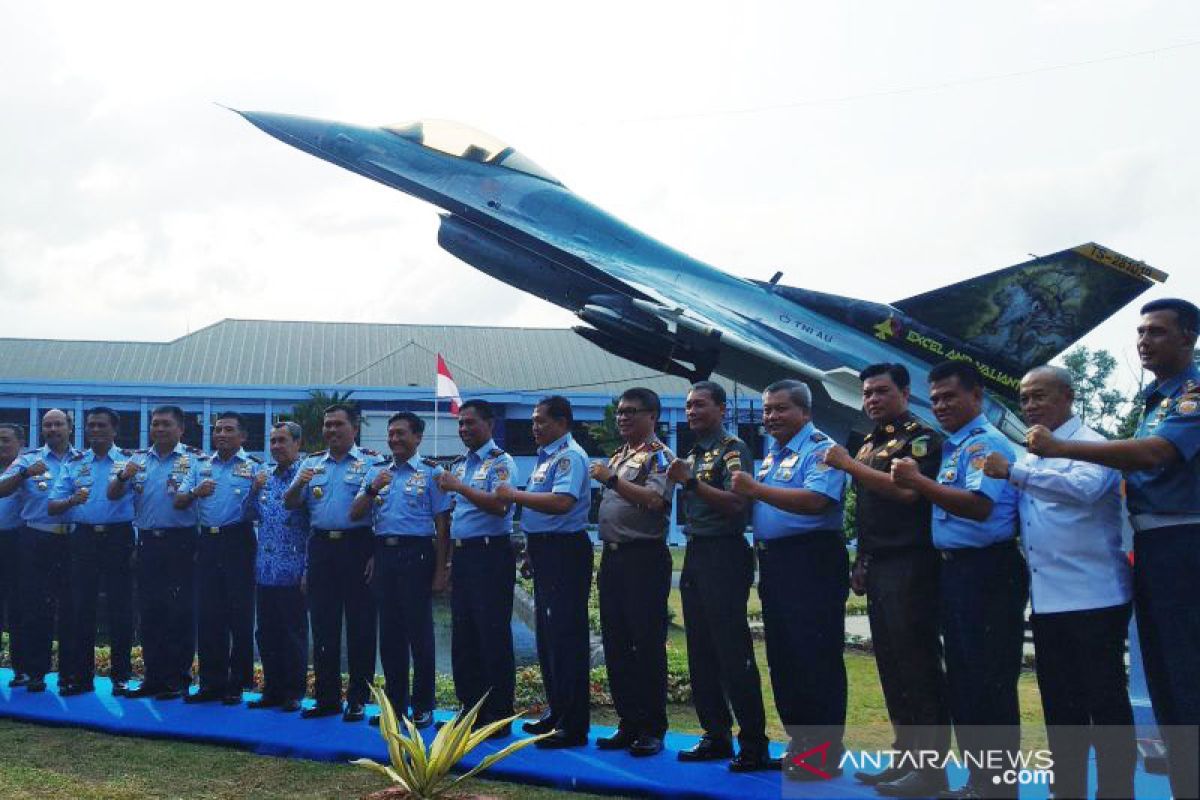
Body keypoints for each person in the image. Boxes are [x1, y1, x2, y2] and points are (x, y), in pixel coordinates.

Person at [1025, 297, 1200, 799]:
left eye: (1158, 332)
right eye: (1141, 333)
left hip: (1184, 540)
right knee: (1166, 678)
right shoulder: (1155, 399)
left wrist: (1062, 449)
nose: (1144, 342)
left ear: (1188, 337)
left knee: (1186, 674)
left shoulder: (1191, 393)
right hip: (1154, 542)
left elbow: (1156, 453)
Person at [982, 366, 1135, 800]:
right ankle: (1065, 788)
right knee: (1060, 706)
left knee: (1104, 703)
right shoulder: (1032, 450)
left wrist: (1014, 472)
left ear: (1067, 396)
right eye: (1025, 398)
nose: (1030, 406)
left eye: (1040, 396)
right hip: (1048, 599)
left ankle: (1116, 791)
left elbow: (1083, 490)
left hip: (1095, 595)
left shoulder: (1094, 443)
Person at [890, 361, 1026, 799]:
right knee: (965, 682)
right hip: (957, 571)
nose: (941, 406)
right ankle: (978, 782)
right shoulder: (956, 446)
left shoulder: (985, 444)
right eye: (935, 399)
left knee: (989, 682)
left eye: (950, 396)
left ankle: (997, 786)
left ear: (977, 396)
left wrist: (917, 482)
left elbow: (979, 506)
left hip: (987, 571)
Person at [822, 364, 950, 796]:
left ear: (905, 392)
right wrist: (861, 559)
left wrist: (846, 465)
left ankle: (930, 769)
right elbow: (869, 511)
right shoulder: (872, 441)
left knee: (918, 666)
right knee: (892, 667)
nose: (872, 400)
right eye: (867, 393)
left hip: (912, 561)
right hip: (878, 561)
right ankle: (903, 759)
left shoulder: (920, 437)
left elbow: (906, 492)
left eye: (881, 391)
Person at [730, 379, 849, 782]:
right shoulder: (773, 453)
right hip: (776, 564)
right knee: (784, 659)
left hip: (811, 561)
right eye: (766, 410)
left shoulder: (820, 449)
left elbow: (817, 502)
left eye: (781, 409)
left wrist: (755, 489)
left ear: (805, 412)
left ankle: (824, 754)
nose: (771, 417)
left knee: (815, 659)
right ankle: (801, 744)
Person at [666, 381, 771, 772]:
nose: (692, 411)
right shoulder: (692, 453)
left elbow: (738, 505)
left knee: (732, 650)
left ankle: (754, 742)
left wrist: (691, 483)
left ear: (722, 409)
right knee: (700, 650)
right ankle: (716, 734)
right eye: (689, 405)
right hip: (696, 552)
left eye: (700, 405)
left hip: (724, 553)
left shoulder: (732, 449)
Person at [495, 395, 593, 750]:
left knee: (567, 640)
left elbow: (561, 503)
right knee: (548, 639)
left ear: (563, 422)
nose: (535, 427)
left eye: (542, 421)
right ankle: (557, 713)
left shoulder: (569, 457)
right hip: (546, 551)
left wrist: (514, 495)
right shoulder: (546, 458)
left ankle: (574, 725)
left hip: (565, 551)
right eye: (534, 421)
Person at [588, 387, 676, 758]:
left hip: (644, 558)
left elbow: (656, 502)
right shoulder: (621, 455)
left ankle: (652, 728)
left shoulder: (661, 457)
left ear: (652, 416)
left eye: (631, 412)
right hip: (613, 558)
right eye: (620, 412)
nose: (623, 417)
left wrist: (611, 480)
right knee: (617, 644)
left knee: (646, 645)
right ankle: (628, 722)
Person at [351, 412, 451, 728]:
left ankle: (423, 706)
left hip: (416, 554)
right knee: (390, 634)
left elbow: (442, 523)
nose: (394, 439)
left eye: (401, 434)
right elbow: (355, 515)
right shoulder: (378, 472)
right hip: (384, 554)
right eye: (391, 434)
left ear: (418, 437)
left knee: (418, 633)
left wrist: (441, 569)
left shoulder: (432, 473)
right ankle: (395, 706)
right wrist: (371, 489)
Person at [284, 403, 377, 723]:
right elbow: (291, 503)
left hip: (358, 547)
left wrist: (376, 554)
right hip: (321, 547)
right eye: (327, 425)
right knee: (323, 626)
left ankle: (358, 699)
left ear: (354, 428)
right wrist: (298, 482)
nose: (331, 430)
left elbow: (385, 511)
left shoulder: (372, 463)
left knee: (361, 626)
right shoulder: (310, 464)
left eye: (338, 424)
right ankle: (326, 698)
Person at [435, 399, 518, 738]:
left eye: (471, 423)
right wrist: (451, 560)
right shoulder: (459, 464)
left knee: (492, 635)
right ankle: (469, 710)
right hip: (466, 556)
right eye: (461, 424)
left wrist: (461, 488)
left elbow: (500, 506)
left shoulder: (501, 463)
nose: (464, 429)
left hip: (491, 555)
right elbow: (458, 516)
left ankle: (497, 716)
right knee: (464, 635)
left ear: (490, 424)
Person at [108, 405, 200, 700]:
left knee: (179, 612)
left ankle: (178, 679)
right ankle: (152, 677)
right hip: (148, 542)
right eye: (155, 424)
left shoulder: (196, 460)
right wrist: (123, 476)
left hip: (181, 542)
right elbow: (113, 494)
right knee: (149, 613)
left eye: (165, 424)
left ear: (181, 428)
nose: (159, 429)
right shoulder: (137, 460)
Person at [48, 407, 136, 696]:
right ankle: (80, 677)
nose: (94, 430)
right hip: (83, 538)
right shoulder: (74, 463)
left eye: (100, 425)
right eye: (90, 426)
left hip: (118, 537)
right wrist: (73, 500)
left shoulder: (130, 461)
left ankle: (121, 677)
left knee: (120, 608)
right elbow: (53, 504)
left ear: (114, 430)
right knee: (80, 608)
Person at [177, 412, 264, 705]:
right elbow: (178, 501)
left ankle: (236, 684)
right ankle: (210, 683)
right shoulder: (200, 466)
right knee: (208, 615)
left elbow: (264, 509)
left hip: (238, 540)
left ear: (243, 437)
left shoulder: (254, 468)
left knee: (239, 615)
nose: (222, 435)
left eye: (229, 430)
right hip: (207, 542)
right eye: (218, 430)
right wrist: (194, 491)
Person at [0, 409, 80, 694]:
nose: (53, 429)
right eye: (48, 425)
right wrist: (23, 474)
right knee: (35, 608)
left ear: (70, 427)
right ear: (42, 430)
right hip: (35, 540)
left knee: (71, 610)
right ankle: (35, 672)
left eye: (59, 424)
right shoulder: (28, 460)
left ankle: (70, 674)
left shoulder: (82, 460)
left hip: (72, 541)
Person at [249, 421, 309, 713]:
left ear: (297, 444)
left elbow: (315, 526)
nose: (276, 447)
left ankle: (293, 692)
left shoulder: (309, 475)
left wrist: (309, 568)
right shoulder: (264, 477)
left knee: (292, 633)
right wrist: (251, 490)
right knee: (266, 633)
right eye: (272, 441)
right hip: (265, 570)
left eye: (282, 441)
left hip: (294, 570)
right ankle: (271, 689)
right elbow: (249, 514)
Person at [0, 423, 29, 687]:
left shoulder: (28, 469)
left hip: (16, 542)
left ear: (20, 442)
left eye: (5, 440)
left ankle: (21, 668)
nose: (0, 445)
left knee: (18, 608)